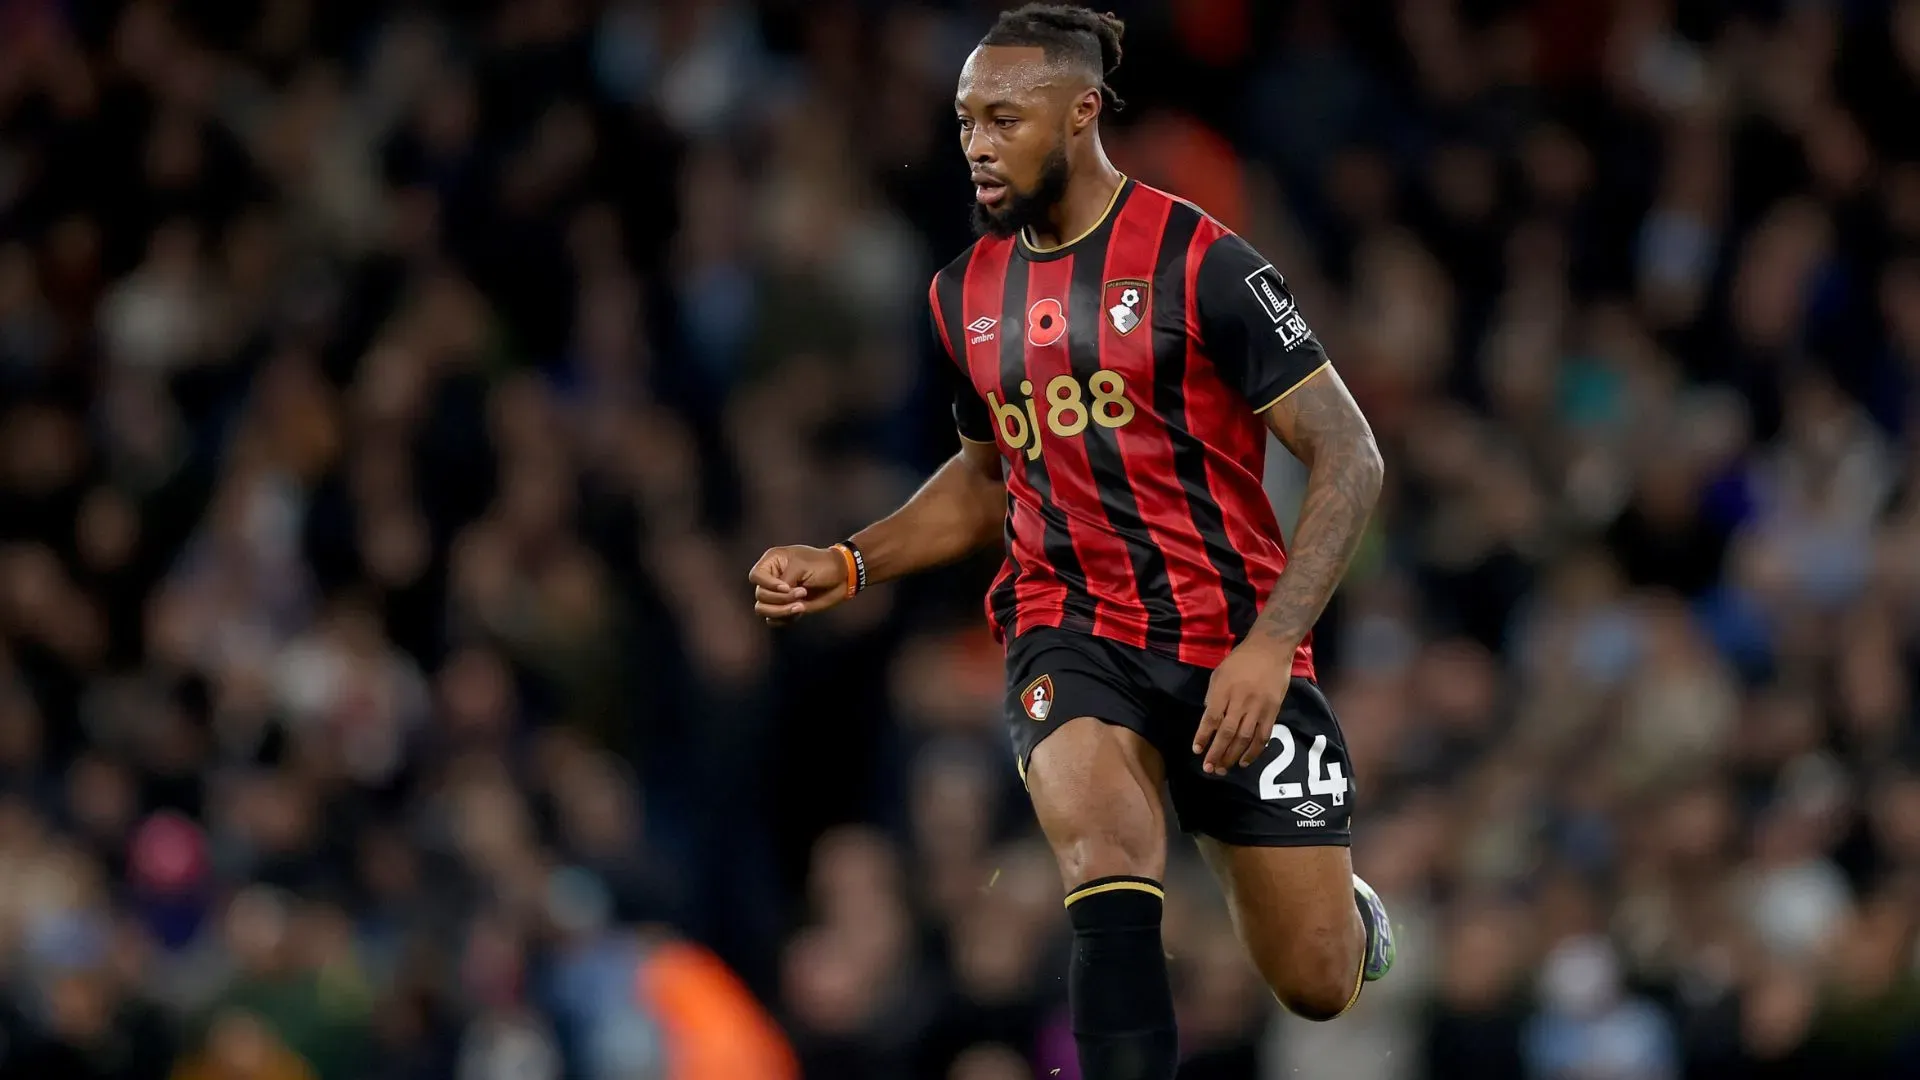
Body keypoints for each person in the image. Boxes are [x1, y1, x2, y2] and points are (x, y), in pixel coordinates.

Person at [746, 5, 1393, 1077]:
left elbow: (1350, 454)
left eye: (1004, 117)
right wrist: (851, 559)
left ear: (1081, 112)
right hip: (1070, 626)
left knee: (1316, 982)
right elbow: (983, 480)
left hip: (1233, 639)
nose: (977, 144)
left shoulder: (1203, 262)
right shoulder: (964, 295)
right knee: (1106, 849)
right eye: (963, 121)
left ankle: (1349, 911)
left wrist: (1274, 642)